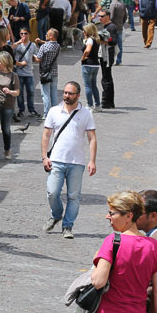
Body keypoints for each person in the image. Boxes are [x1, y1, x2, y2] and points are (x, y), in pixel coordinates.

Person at [41, 81, 97, 239]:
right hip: (56, 160)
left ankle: (67, 226)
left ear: (78, 95)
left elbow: (92, 138)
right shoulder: (54, 111)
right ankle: (56, 215)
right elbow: (46, 135)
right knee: (52, 192)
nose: (66, 96)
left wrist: (92, 161)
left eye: (70, 93)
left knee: (74, 196)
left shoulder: (86, 113)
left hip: (76, 162)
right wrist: (45, 156)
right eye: (65, 93)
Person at [33, 28, 62, 115]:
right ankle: (55, 113)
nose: (45, 35)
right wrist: (42, 41)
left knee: (45, 94)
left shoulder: (44, 47)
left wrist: (33, 55)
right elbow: (50, 44)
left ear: (51, 37)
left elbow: (38, 59)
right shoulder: (58, 46)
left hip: (45, 73)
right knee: (54, 93)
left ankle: (46, 113)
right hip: (54, 72)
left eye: (47, 34)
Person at [12, 28, 39, 119]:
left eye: (25, 33)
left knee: (30, 92)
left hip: (29, 72)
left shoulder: (33, 45)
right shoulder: (17, 45)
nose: (23, 35)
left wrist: (36, 58)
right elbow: (12, 56)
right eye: (22, 33)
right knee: (20, 93)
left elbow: (36, 55)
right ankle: (21, 110)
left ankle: (31, 109)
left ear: (29, 34)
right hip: (19, 72)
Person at [98, 10, 119, 110]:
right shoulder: (107, 27)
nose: (100, 18)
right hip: (104, 55)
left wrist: (100, 41)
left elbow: (113, 42)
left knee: (106, 78)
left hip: (107, 55)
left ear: (108, 16)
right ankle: (109, 102)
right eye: (99, 16)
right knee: (106, 77)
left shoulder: (111, 27)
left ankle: (106, 101)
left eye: (102, 16)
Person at [81, 24, 102, 111]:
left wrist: (83, 57)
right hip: (95, 64)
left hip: (88, 64)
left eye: (85, 31)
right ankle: (97, 105)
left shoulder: (90, 40)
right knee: (94, 85)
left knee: (87, 86)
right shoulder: (97, 39)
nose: (83, 32)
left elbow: (88, 50)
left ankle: (89, 105)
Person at [108, 0, 127, 65]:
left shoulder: (113, 4)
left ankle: (111, 60)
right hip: (120, 26)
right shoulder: (122, 4)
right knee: (119, 44)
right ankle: (119, 60)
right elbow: (125, 15)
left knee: (111, 44)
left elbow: (111, 16)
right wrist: (122, 22)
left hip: (113, 26)